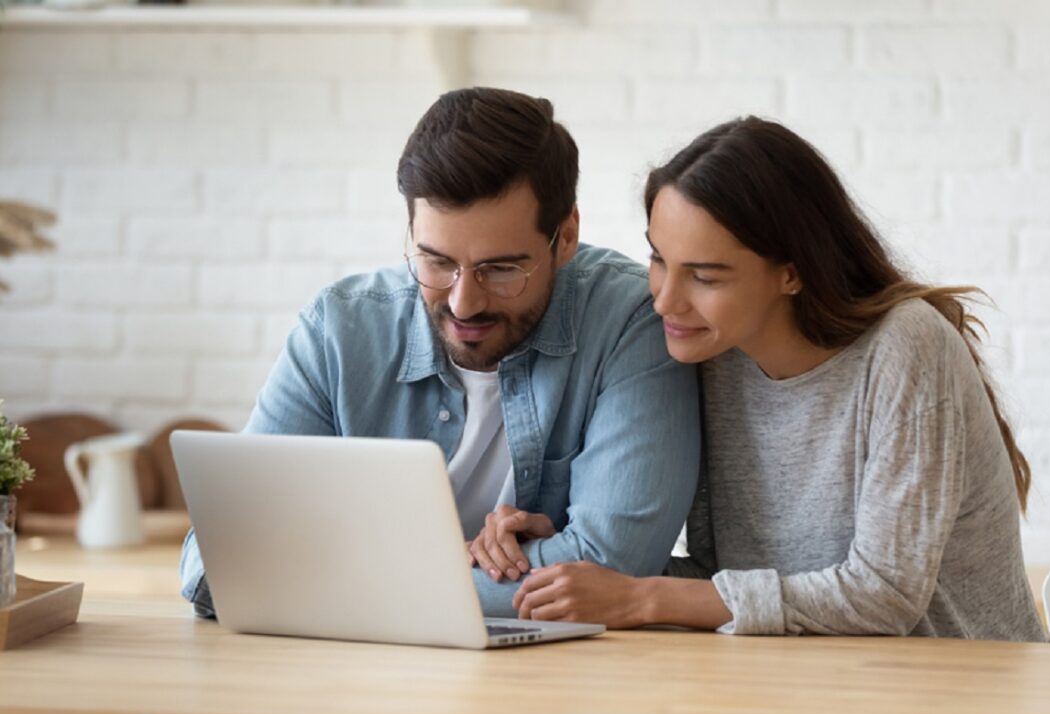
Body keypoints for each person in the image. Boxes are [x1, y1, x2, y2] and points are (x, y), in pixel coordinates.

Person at [491, 116, 1045, 641]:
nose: (662, 299)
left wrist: (643, 598)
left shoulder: (906, 346)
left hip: (963, 689)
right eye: (659, 260)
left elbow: (885, 594)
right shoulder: (714, 355)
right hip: (814, 686)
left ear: (791, 272)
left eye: (704, 276)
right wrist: (575, 563)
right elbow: (724, 580)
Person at [179, 88, 701, 619]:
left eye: (500, 269)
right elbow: (217, 560)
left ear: (565, 237)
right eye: (435, 261)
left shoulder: (630, 321)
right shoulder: (338, 330)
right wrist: (453, 569)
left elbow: (613, 566)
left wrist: (337, 578)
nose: (464, 302)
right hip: (352, 674)